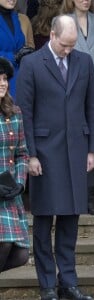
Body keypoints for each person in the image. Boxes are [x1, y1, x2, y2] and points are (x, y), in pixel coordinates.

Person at [16, 15, 94, 300]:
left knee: (70, 221)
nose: (68, 50)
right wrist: (30, 155)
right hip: (44, 153)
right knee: (42, 223)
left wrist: (92, 150)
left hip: (76, 149)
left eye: (72, 45)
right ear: (52, 35)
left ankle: (69, 283)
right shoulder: (30, 64)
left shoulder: (84, 62)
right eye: (65, 45)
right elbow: (25, 111)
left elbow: (92, 106)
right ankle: (48, 285)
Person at [61, 0, 94, 215]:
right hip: (71, 88)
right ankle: (73, 196)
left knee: (93, 141)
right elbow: (62, 53)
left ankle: (91, 197)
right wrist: (81, 78)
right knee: (73, 140)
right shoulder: (63, 21)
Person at [0, 57, 29, 274]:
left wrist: (19, 182)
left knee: (20, 255)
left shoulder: (14, 112)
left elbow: (22, 153)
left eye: (5, 79)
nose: (3, 83)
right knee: (4, 244)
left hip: (9, 193)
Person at [0, 0, 26, 99]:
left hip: (17, 82)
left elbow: (17, 45)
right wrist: (14, 57)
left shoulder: (14, 16)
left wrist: (25, 52)